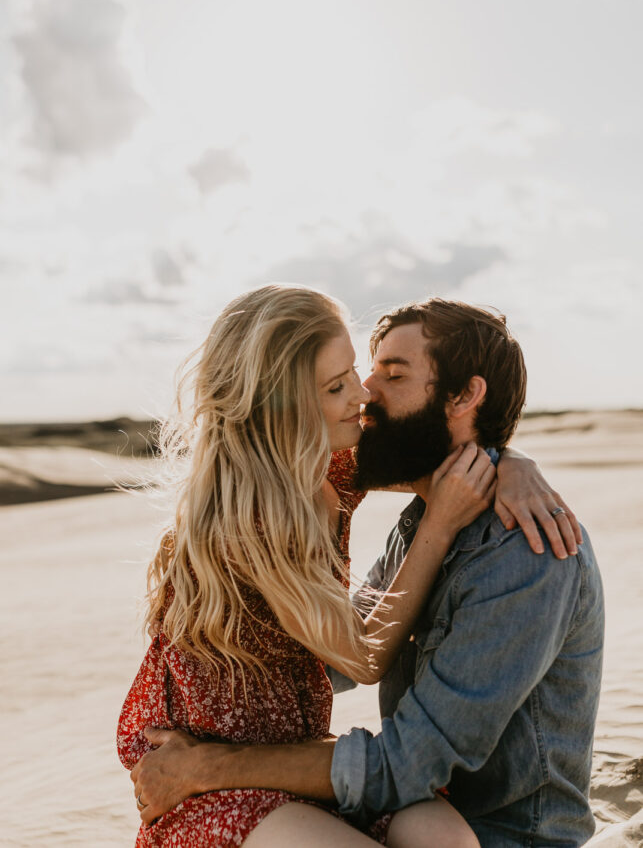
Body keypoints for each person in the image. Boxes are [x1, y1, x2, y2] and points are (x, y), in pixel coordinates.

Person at [130, 297, 603, 848]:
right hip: (326, 795)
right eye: (353, 378)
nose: (366, 393)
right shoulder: (404, 514)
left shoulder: (524, 549)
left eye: (391, 375)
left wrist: (513, 462)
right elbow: (337, 656)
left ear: (463, 396)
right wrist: (501, 466)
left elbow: (401, 756)